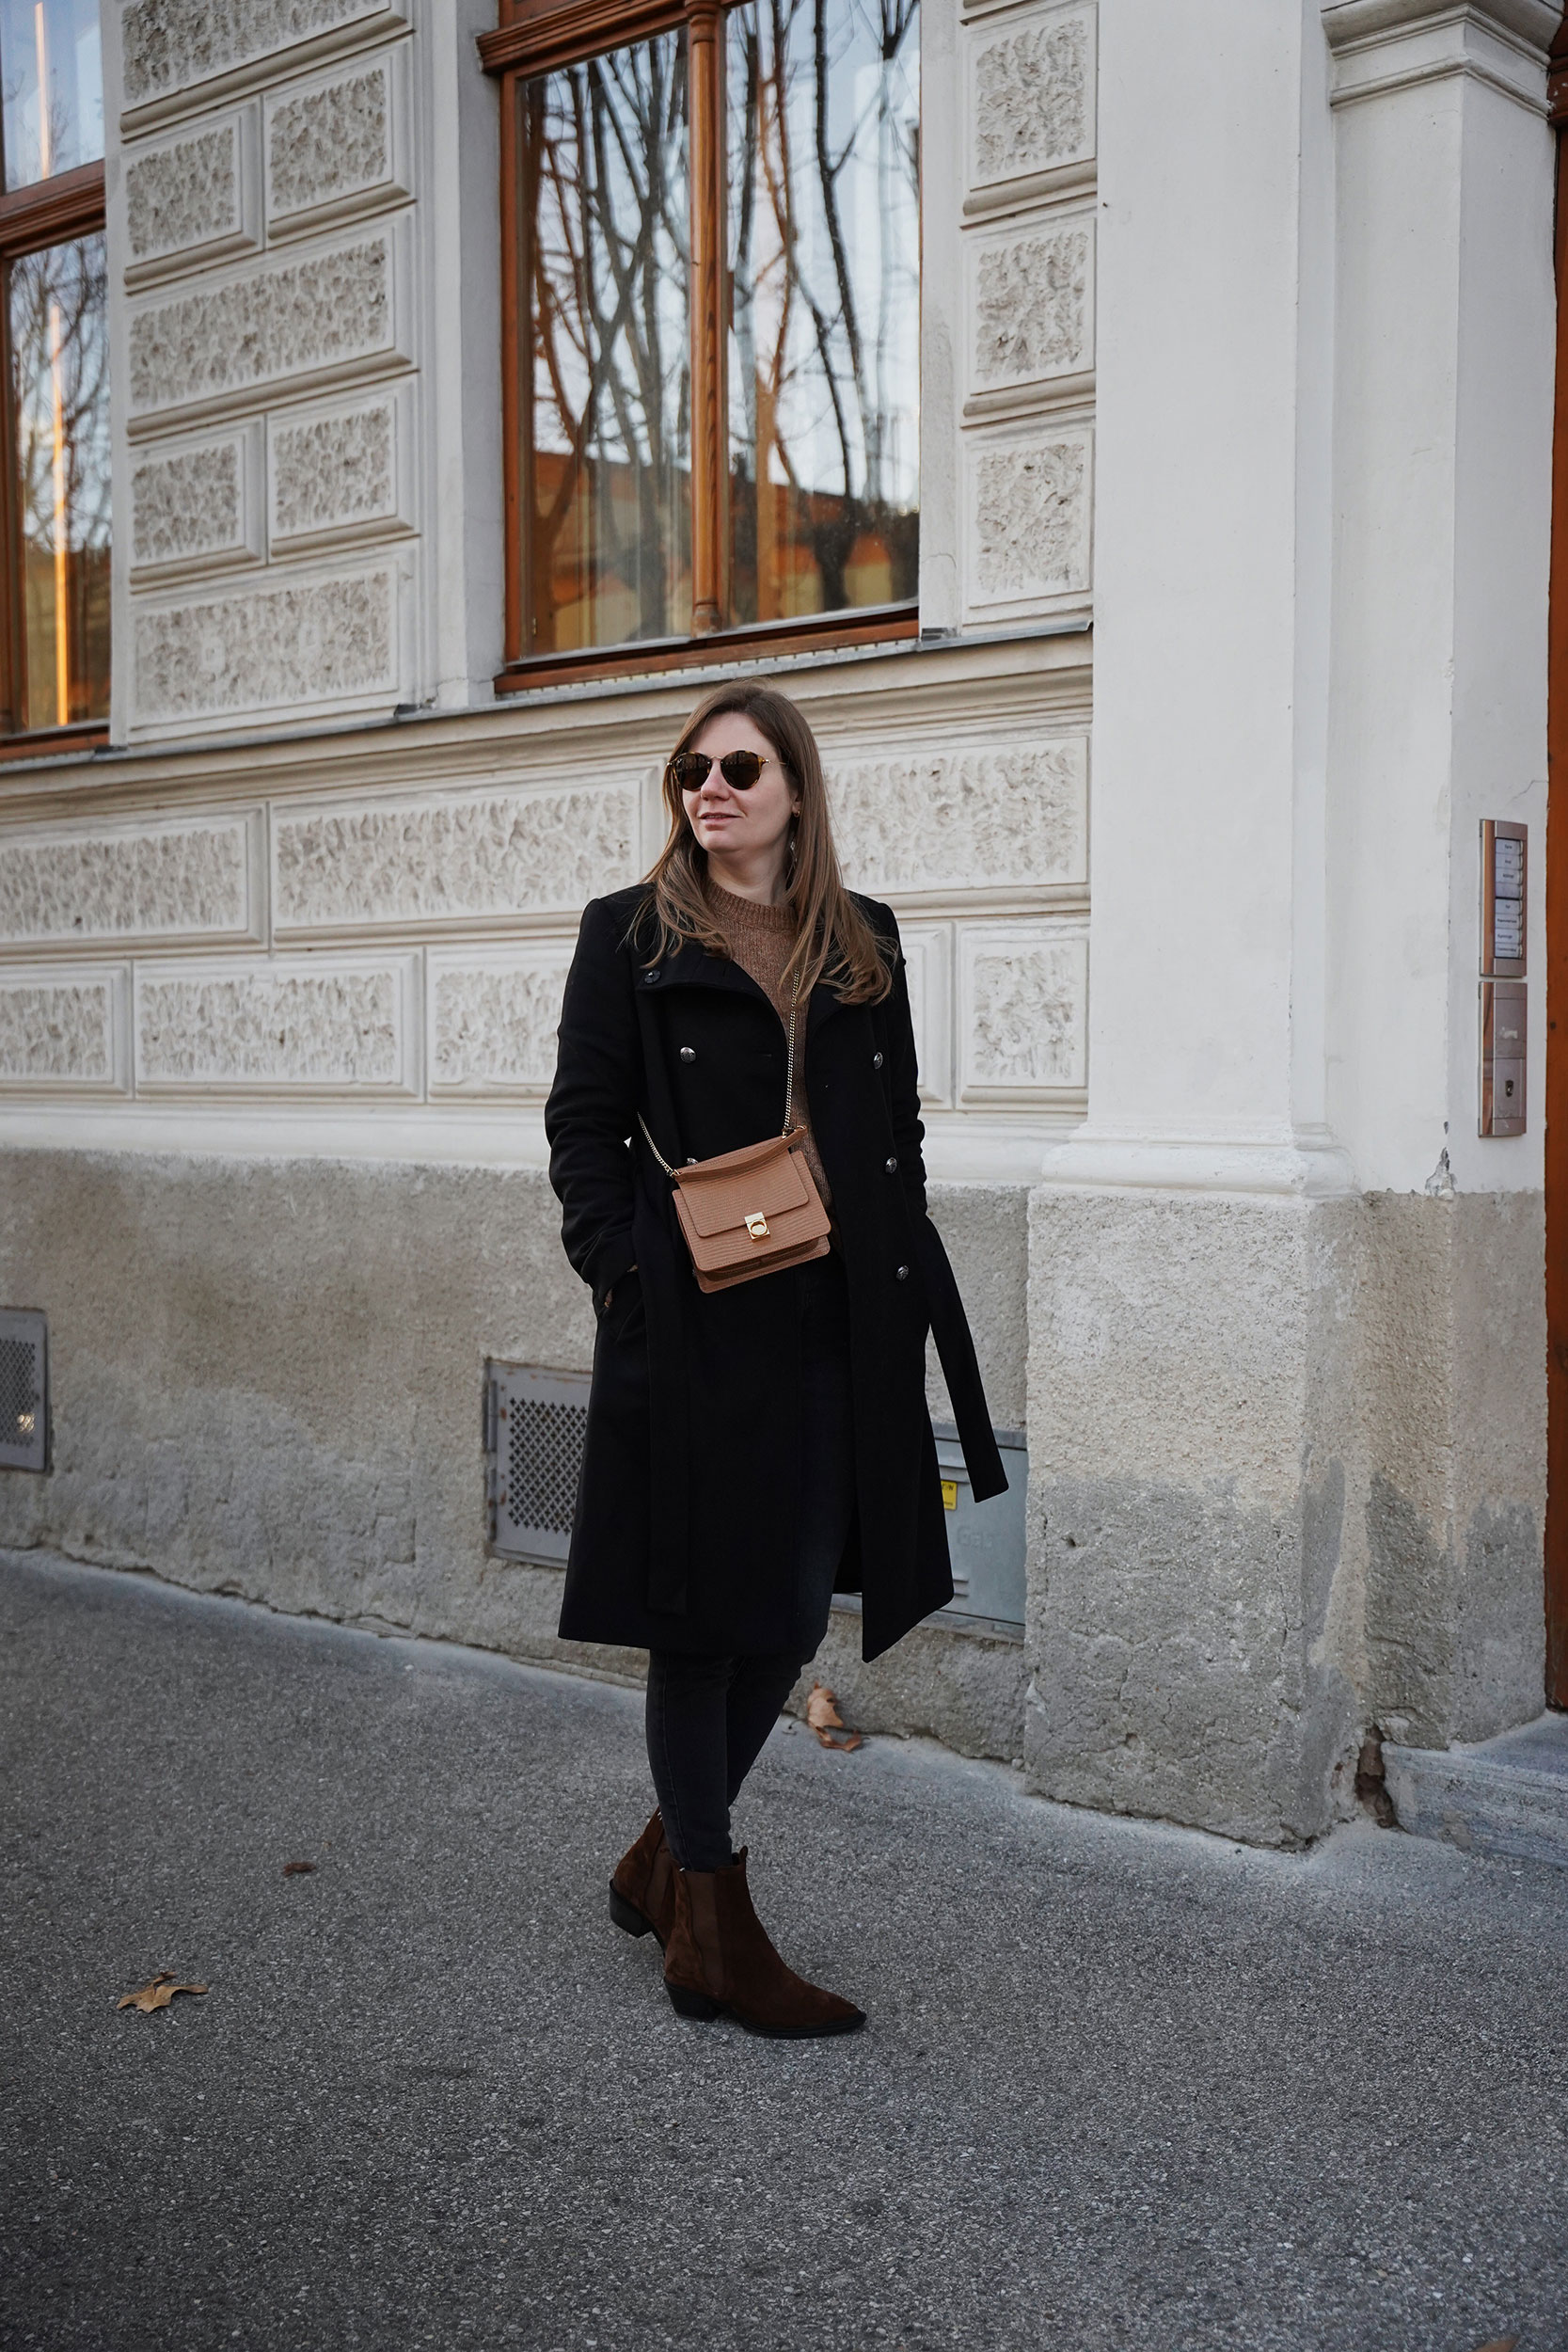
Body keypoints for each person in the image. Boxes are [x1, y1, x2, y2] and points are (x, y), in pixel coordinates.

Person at [545, 681, 1006, 2039]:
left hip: (837, 1316)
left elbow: (897, 1127)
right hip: (692, 1316)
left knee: (795, 1606)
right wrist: (624, 1275)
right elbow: (582, 1123)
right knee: (702, 1617)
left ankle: (659, 1860)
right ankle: (712, 1929)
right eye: (691, 771)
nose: (711, 789)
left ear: (796, 790)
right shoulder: (626, 937)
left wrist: (904, 1271)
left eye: (741, 767)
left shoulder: (864, 943)